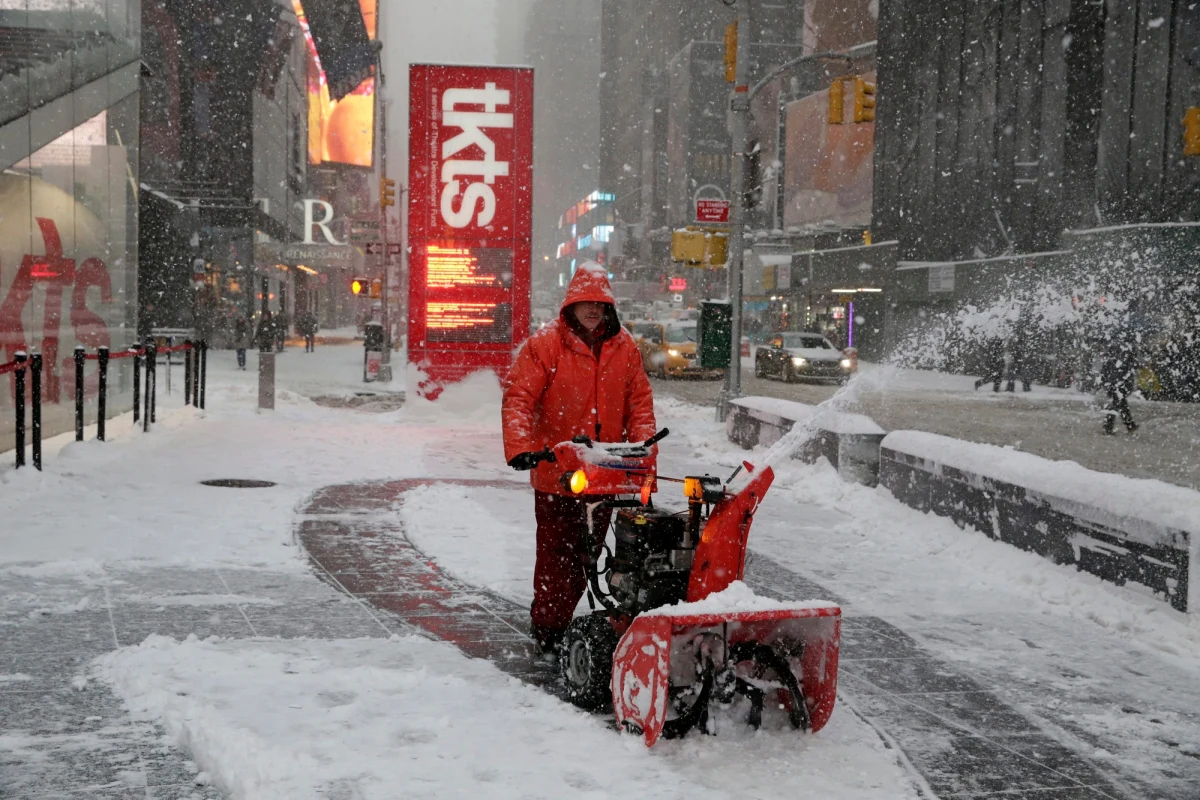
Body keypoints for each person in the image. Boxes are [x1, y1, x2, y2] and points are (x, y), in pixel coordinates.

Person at [502, 262, 657, 657]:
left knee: (592, 554)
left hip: (606, 473)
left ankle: (594, 624)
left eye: (600, 304)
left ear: (608, 308)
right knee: (556, 555)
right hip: (558, 473)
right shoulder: (545, 345)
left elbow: (639, 404)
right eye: (586, 303)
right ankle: (550, 629)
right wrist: (521, 448)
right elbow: (520, 397)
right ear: (571, 304)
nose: (593, 310)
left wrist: (645, 452)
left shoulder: (625, 348)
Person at [1100, 320, 1139, 435]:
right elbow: (1125, 371)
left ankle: (1128, 425)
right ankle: (1111, 426)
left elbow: (1105, 372)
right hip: (1118, 385)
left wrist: (1106, 383)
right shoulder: (1122, 359)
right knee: (1118, 405)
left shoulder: (1116, 358)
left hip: (1116, 385)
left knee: (1121, 405)